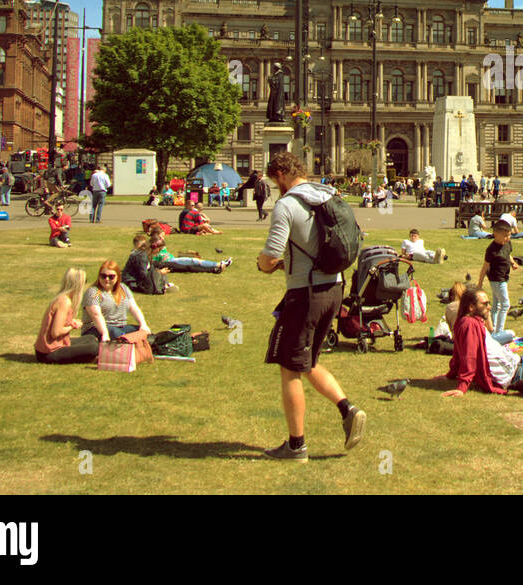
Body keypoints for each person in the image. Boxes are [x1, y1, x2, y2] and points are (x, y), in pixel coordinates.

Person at [256, 151, 365, 459]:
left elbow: (271, 254)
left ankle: (296, 445)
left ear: (280, 175)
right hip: (335, 287)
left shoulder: (287, 204)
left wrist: (264, 265)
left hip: (306, 293)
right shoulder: (328, 194)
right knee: (308, 360)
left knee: (289, 367)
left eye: (274, 180)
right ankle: (348, 410)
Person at [34, 268, 101, 364]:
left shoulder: (63, 298)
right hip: (49, 352)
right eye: (85, 281)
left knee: (91, 338)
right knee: (94, 347)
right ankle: (89, 358)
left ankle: (88, 357)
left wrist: (71, 322)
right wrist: (72, 326)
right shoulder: (64, 302)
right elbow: (56, 332)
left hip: (56, 344)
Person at [82, 261, 152, 341]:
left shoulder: (123, 288)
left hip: (120, 327)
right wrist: (105, 334)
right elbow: (96, 315)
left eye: (111, 277)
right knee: (119, 335)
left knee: (145, 334)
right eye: (103, 276)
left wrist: (143, 324)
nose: (107, 279)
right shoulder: (92, 292)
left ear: (118, 277)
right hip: (96, 328)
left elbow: (134, 308)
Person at [480, 219, 519, 337]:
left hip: (504, 277)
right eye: (505, 236)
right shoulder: (491, 250)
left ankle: (492, 329)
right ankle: (499, 331)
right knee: (505, 305)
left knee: (496, 305)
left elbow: (508, 254)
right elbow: (485, 267)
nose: (507, 238)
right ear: (495, 234)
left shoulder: (507, 244)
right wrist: (480, 282)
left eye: (509, 235)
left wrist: (512, 263)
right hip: (496, 280)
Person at [150, 232, 231, 273]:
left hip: (174, 260)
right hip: (171, 262)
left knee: (194, 262)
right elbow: (155, 264)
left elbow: (163, 243)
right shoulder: (153, 254)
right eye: (161, 237)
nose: (163, 238)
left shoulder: (161, 247)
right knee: (193, 262)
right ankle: (218, 264)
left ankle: (217, 266)